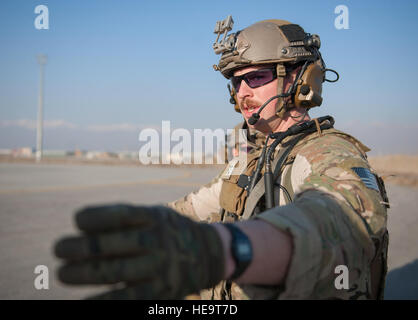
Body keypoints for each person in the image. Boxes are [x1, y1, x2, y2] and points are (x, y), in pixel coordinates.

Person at [53, 17, 389, 300]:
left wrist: (224, 250)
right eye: (235, 81)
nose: (242, 92)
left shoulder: (325, 151)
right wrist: (147, 228)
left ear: (300, 78)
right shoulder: (256, 154)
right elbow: (208, 200)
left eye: (256, 77)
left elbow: (344, 219)